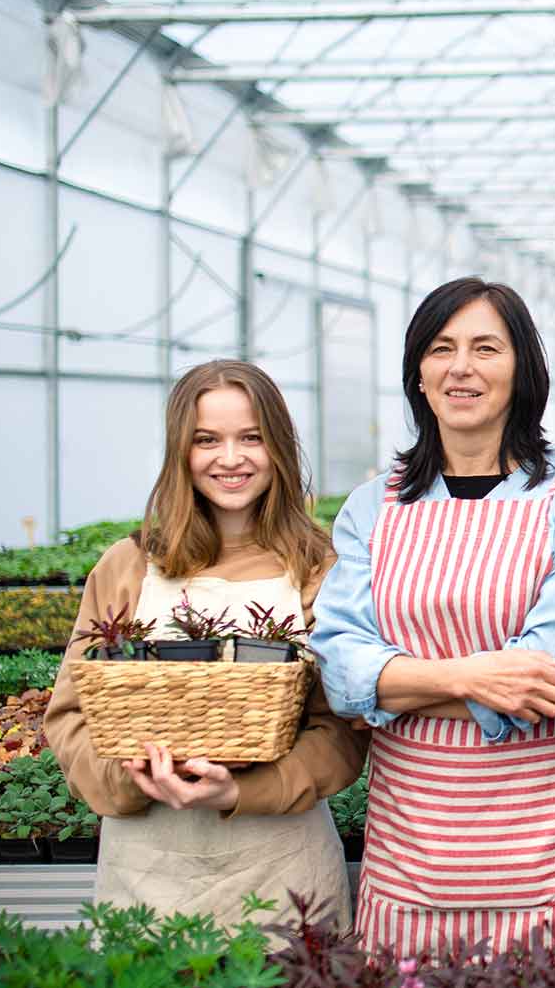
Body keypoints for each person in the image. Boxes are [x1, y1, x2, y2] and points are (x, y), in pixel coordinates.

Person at [310, 277, 555, 955]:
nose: (462, 367)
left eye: (486, 347)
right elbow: (339, 674)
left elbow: (547, 679)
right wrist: (473, 676)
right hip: (413, 850)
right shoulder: (375, 506)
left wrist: (393, 688)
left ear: (522, 370)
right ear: (418, 375)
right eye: (441, 348)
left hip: (554, 843)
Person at [45, 360, 365, 931]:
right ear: (180, 452)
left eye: (251, 438)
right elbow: (70, 716)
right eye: (207, 440)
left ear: (280, 450)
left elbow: (341, 733)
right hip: (147, 871)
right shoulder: (128, 566)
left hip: (283, 876)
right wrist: (129, 779)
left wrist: (241, 790)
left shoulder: (323, 570)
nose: (231, 458)